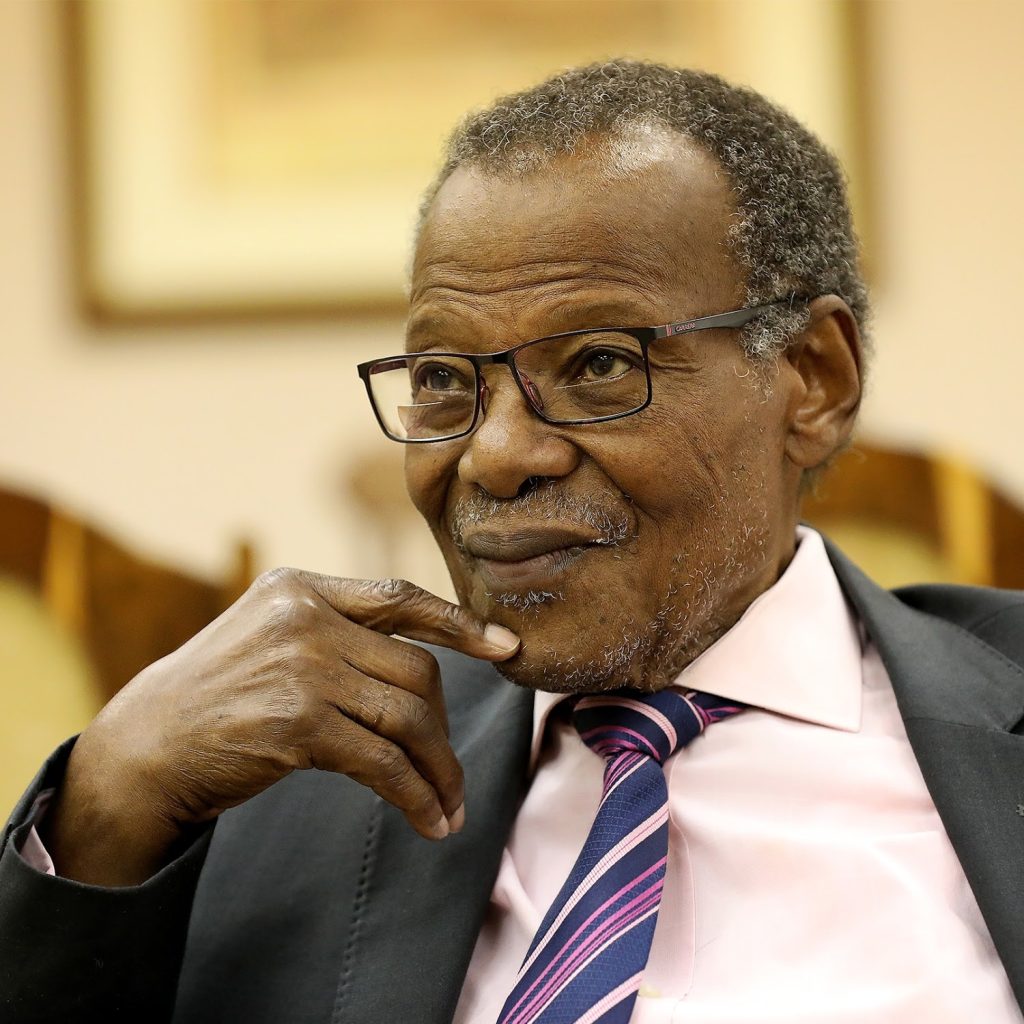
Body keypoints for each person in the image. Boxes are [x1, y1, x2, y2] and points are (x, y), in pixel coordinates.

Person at [2, 60, 1022, 1024]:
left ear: (813, 377)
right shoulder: (290, 780)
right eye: (445, 379)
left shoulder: (987, 730)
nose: (493, 456)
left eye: (598, 364)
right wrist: (104, 802)